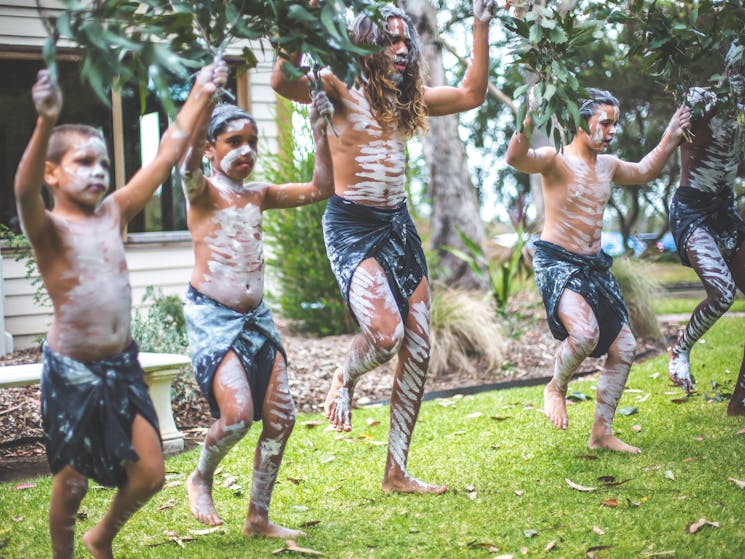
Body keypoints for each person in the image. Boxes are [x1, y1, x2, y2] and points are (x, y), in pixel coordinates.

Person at [269, 0, 498, 495]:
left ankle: (396, 471)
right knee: (387, 335)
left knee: (417, 347)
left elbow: (472, 93)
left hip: (399, 226)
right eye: (388, 39)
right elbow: (282, 79)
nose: (399, 48)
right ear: (364, 43)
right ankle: (343, 376)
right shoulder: (337, 87)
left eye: (404, 40)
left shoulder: (404, 98)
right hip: (352, 225)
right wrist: (298, 20)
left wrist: (480, 24)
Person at [14, 62, 227, 559]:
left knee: (152, 474)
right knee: (70, 486)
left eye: (103, 163)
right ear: (52, 173)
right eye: (83, 162)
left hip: (121, 364)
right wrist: (45, 121)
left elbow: (166, 152)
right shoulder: (48, 229)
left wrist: (199, 92)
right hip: (72, 370)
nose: (98, 172)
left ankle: (101, 536)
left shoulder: (114, 212)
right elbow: (22, 192)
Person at [180, 88, 334, 537]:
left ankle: (258, 518)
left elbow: (321, 188)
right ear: (210, 148)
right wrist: (200, 106)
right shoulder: (201, 192)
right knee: (238, 417)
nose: (246, 150)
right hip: (214, 316)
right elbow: (185, 165)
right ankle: (201, 477)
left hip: (257, 317)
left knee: (282, 417)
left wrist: (318, 130)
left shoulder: (257, 195)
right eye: (233, 141)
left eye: (253, 140)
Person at [506, 88, 691, 453]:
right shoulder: (553, 160)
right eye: (605, 123)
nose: (611, 131)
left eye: (614, 124)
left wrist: (672, 133)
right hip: (557, 261)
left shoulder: (607, 166)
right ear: (580, 120)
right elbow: (515, 157)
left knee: (624, 346)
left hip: (594, 265)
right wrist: (528, 115)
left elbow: (644, 171)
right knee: (585, 332)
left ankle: (601, 433)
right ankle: (555, 386)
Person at [668, 41, 745, 414]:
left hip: (724, 211)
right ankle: (680, 348)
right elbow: (672, 135)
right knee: (723, 294)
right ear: (730, 71)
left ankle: (741, 401)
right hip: (692, 210)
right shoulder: (701, 99)